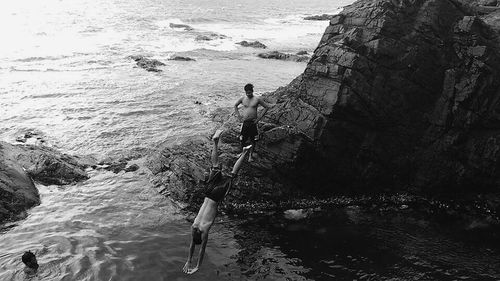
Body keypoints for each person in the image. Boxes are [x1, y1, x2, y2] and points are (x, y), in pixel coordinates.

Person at [183, 129, 251, 275]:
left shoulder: (204, 230)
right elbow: (192, 245)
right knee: (215, 166)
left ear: (200, 237)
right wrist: (188, 260)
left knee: (232, 175)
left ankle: (245, 152)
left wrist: (197, 266)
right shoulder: (194, 225)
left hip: (216, 197)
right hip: (208, 194)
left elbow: (201, 250)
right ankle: (215, 142)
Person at [234, 83, 273, 162]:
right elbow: (235, 105)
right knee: (242, 139)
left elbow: (266, 107)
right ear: (245, 92)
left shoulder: (257, 99)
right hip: (245, 122)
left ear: (252, 91)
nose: (248, 94)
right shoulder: (243, 98)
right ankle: (242, 153)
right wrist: (238, 116)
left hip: (253, 122)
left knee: (253, 139)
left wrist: (258, 119)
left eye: (249, 92)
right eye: (247, 92)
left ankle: (250, 156)